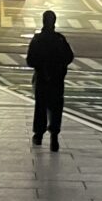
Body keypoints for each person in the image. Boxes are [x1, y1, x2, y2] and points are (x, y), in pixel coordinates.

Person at [25, 9, 73, 151]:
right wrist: (60, 67)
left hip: (42, 78)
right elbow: (69, 56)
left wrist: (41, 67)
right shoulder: (60, 39)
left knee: (40, 106)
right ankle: (54, 137)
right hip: (57, 79)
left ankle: (38, 135)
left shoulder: (38, 39)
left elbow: (30, 60)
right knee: (56, 108)